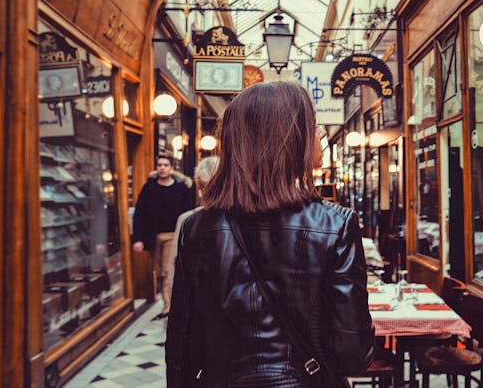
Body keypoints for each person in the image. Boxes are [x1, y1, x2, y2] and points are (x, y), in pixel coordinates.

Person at [166, 82, 374, 387]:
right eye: (313, 125)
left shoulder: (196, 228)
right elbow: (353, 355)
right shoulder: (336, 225)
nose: (321, 135)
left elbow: (182, 347)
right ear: (290, 140)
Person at [132, 154, 195, 319]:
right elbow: (140, 214)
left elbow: (189, 214)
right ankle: (169, 303)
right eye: (159, 165)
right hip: (154, 237)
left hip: (172, 236)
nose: (162, 168)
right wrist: (137, 238)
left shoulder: (181, 189)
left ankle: (169, 308)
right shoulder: (149, 188)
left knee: (168, 271)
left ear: (171, 168)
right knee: (159, 272)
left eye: (166, 165)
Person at [164, 155, 220, 316]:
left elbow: (175, 269)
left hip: (199, 309)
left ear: (197, 183)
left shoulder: (187, 221)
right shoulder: (244, 218)